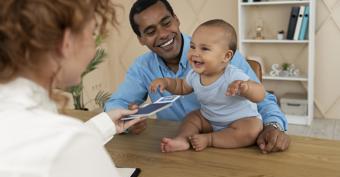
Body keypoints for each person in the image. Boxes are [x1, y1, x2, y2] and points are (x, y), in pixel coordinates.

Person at [104, 0, 290, 153]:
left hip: (232, 143)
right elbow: (116, 104)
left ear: (177, 20)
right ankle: (183, 140)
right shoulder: (143, 67)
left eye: (166, 22)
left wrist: (274, 126)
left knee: (251, 128)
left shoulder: (220, 53)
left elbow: (263, 100)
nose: (162, 34)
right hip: (180, 149)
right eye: (151, 31)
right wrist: (128, 121)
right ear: (141, 39)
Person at [0, 0, 144, 177]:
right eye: (92, 34)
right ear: (66, 43)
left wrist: (104, 124)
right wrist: (80, 141)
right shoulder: (68, 142)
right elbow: (60, 149)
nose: (94, 48)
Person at [150, 19, 265, 152]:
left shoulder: (232, 75)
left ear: (226, 56)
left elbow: (260, 94)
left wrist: (246, 88)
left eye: (204, 48)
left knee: (252, 129)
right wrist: (166, 82)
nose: (195, 53)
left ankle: (210, 139)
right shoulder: (194, 75)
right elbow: (181, 87)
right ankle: (182, 139)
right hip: (209, 118)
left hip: (238, 121)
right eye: (192, 46)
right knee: (192, 118)